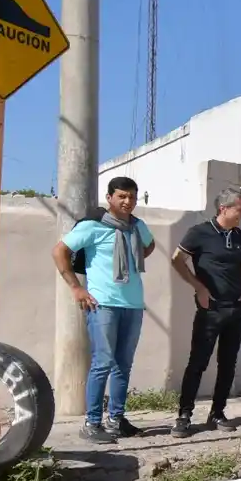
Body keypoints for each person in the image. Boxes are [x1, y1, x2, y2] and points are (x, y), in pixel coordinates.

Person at [52, 177, 156, 443]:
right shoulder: (93, 227)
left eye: (132, 196)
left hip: (132, 304)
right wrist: (77, 288)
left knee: (123, 365)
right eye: (122, 196)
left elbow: (150, 244)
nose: (128, 201)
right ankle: (92, 422)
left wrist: (133, 255)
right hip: (103, 305)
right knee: (102, 363)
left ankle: (116, 420)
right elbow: (59, 251)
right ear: (109, 197)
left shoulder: (137, 227)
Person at [170, 187, 241, 437]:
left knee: (228, 364)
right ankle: (184, 416)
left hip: (236, 310)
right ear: (223, 209)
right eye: (240, 209)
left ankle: (217, 412)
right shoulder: (199, 233)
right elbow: (176, 260)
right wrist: (199, 287)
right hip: (210, 311)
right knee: (198, 363)